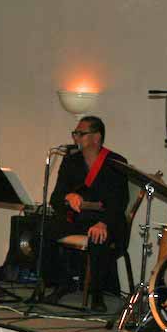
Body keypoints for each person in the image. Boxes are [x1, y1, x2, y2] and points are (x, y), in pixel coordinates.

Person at [42, 116, 128, 312]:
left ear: (96, 137)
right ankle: (62, 282)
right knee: (44, 231)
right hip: (79, 219)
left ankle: (97, 294)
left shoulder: (116, 163)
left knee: (98, 237)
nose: (76, 138)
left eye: (81, 134)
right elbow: (55, 198)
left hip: (107, 221)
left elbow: (119, 202)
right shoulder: (70, 161)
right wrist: (68, 196)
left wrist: (104, 222)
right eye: (75, 134)